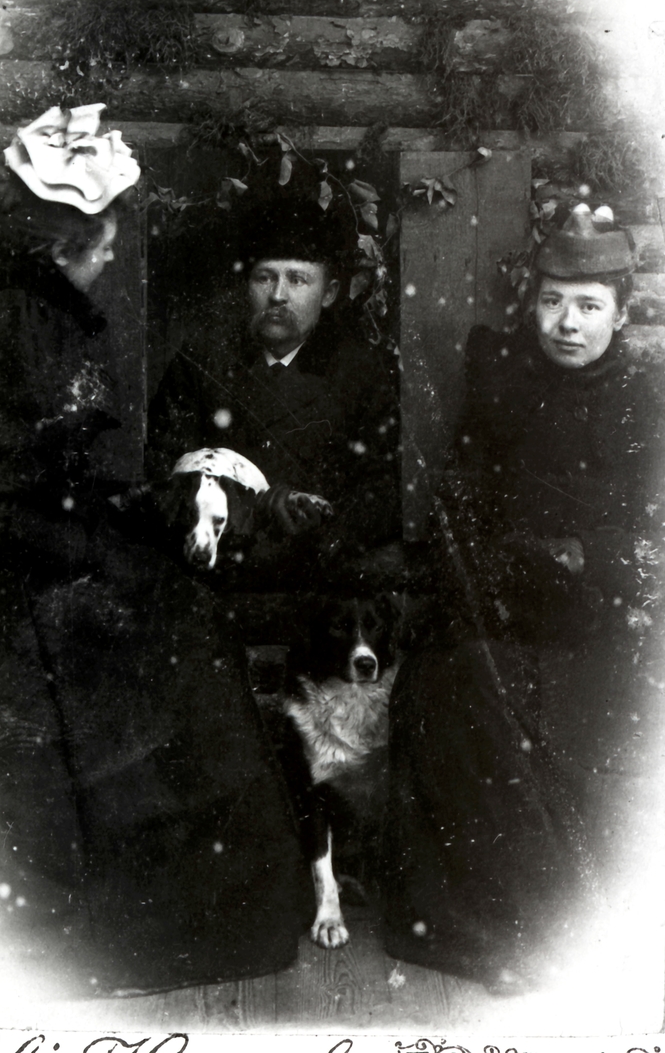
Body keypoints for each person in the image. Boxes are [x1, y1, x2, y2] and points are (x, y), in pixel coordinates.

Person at [0, 104, 307, 1003]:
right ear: (59, 249)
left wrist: (147, 508)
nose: (106, 263)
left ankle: (205, 908)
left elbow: (61, 476)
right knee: (167, 640)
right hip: (4, 580)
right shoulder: (3, 326)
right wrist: (109, 542)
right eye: (99, 250)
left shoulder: (43, 312)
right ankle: (152, 925)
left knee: (186, 619)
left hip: (48, 543)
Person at [382, 204, 665, 993]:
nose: (566, 324)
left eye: (587, 305)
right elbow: (460, 497)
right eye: (551, 301)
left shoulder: (647, 397)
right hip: (503, 603)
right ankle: (507, 930)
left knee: (574, 715)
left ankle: (569, 933)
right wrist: (483, 571)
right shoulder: (502, 382)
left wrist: (585, 559)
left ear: (620, 312)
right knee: (453, 688)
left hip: (604, 617)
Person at [147, 196, 401, 586]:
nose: (278, 295)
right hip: (216, 571)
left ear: (329, 292)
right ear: (247, 285)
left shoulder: (359, 372)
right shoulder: (202, 359)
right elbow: (163, 463)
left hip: (314, 578)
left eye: (297, 279)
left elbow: (381, 490)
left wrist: (321, 533)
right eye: (265, 277)